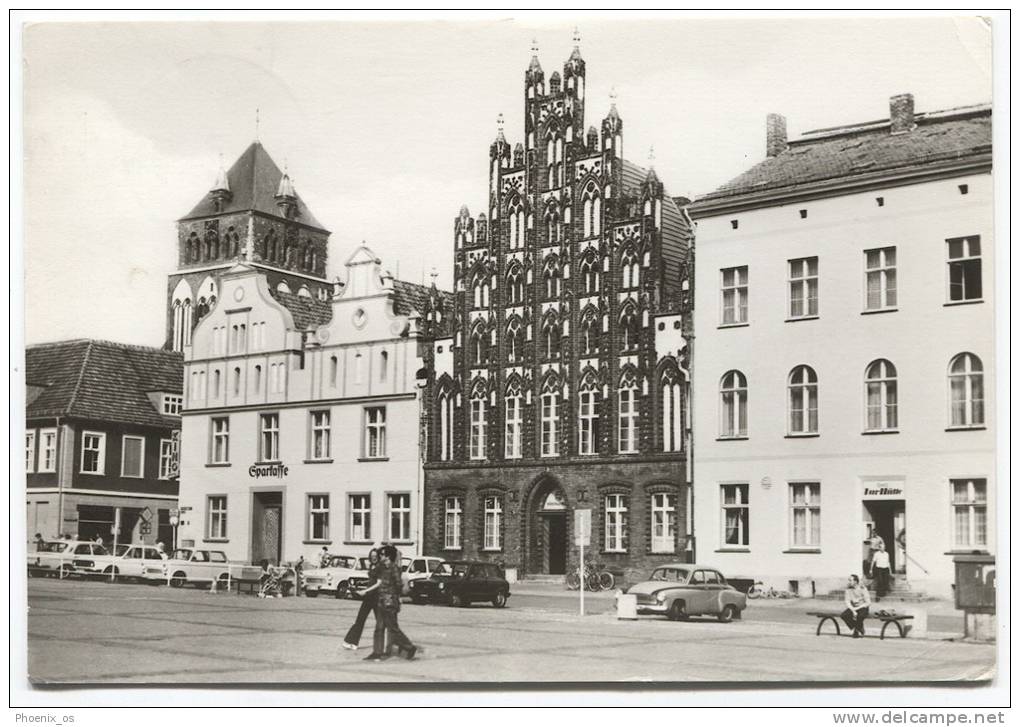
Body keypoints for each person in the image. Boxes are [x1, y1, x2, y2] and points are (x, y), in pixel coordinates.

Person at [358, 545, 417, 661]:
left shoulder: (394, 568)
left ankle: (409, 647)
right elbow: (373, 575)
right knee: (379, 627)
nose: (380, 556)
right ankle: (377, 652)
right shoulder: (382, 567)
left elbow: (399, 584)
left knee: (393, 629)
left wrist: (395, 597)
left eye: (383, 554)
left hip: (390, 602)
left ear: (388, 556)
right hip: (381, 601)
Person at [341, 548, 380, 651]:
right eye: (372, 557)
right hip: (369, 597)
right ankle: (351, 641)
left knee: (380, 622)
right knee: (360, 619)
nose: (374, 558)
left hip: (376, 597)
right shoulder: (372, 566)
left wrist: (365, 591)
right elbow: (372, 581)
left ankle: (388, 644)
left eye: (376, 556)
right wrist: (364, 588)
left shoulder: (380, 567)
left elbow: (379, 583)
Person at [841, 574, 872, 638]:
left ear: (855, 581)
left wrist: (857, 609)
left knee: (860, 616)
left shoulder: (862, 588)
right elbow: (847, 601)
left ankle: (856, 630)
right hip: (853, 607)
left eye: (850, 580)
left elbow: (868, 602)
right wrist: (853, 610)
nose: (849, 582)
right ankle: (858, 627)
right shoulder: (848, 589)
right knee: (844, 615)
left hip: (863, 607)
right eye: (849, 580)